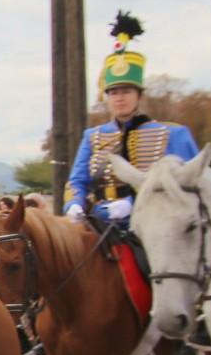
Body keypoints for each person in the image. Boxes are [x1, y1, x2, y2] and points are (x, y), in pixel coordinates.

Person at [66, 12, 199, 230]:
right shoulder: (92, 137)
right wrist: (74, 204)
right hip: (99, 222)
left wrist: (132, 204)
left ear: (138, 95)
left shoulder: (173, 134)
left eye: (126, 92)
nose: (120, 99)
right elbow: (77, 181)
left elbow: (186, 186)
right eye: (114, 93)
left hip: (155, 224)